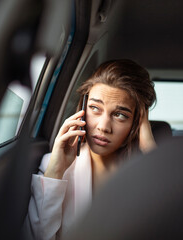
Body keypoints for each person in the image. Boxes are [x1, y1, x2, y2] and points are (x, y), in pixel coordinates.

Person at [23, 59, 157, 240]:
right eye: (95, 108)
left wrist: (151, 152)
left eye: (119, 115)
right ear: (83, 107)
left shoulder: (147, 172)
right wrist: (54, 173)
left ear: (137, 122)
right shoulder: (53, 165)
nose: (103, 127)